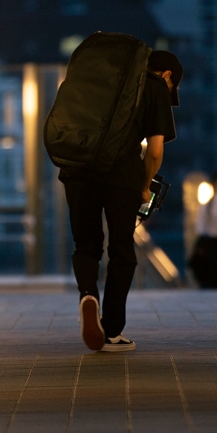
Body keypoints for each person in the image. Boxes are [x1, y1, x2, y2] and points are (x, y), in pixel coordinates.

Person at [60, 49, 182, 351]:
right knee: (121, 251)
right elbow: (154, 152)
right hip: (120, 175)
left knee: (86, 244)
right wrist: (144, 187)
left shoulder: (103, 80)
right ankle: (112, 331)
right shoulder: (155, 88)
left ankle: (88, 295)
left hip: (76, 168)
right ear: (166, 76)